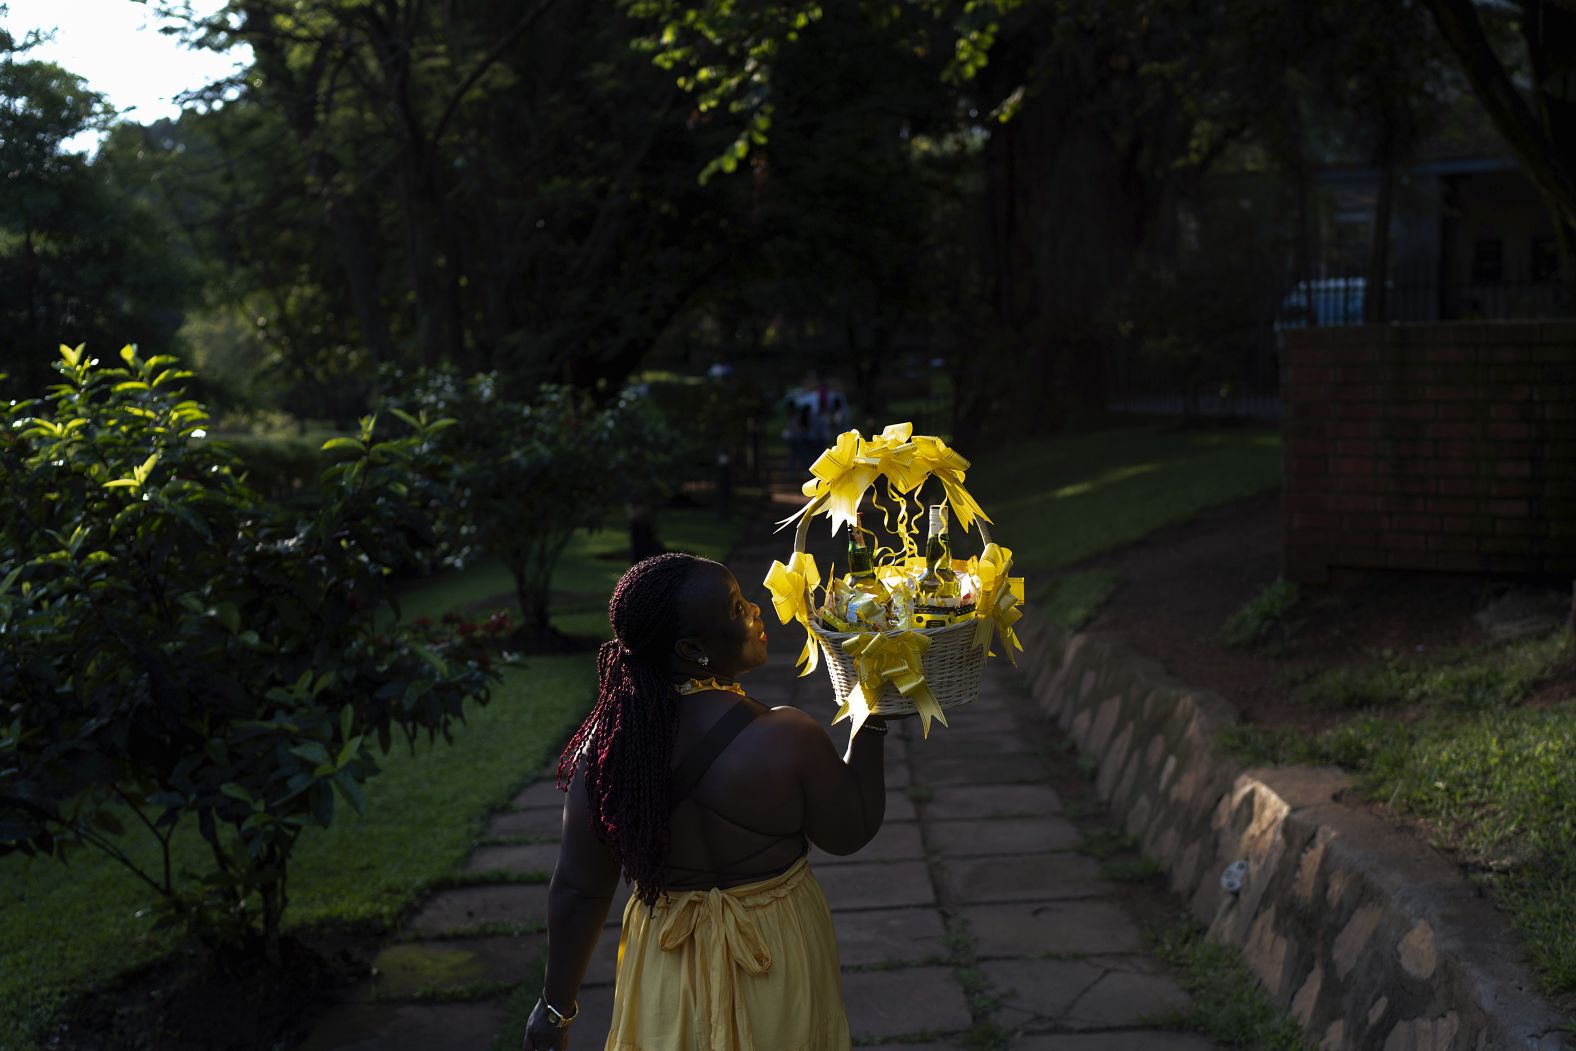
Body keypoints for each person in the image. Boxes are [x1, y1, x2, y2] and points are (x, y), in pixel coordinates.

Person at [522, 552, 900, 1050]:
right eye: (737, 606)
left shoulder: (607, 753)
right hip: (777, 952)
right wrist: (871, 717)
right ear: (693, 647)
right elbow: (849, 832)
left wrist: (554, 1011)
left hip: (665, 961)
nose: (757, 609)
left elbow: (579, 889)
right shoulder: (787, 737)